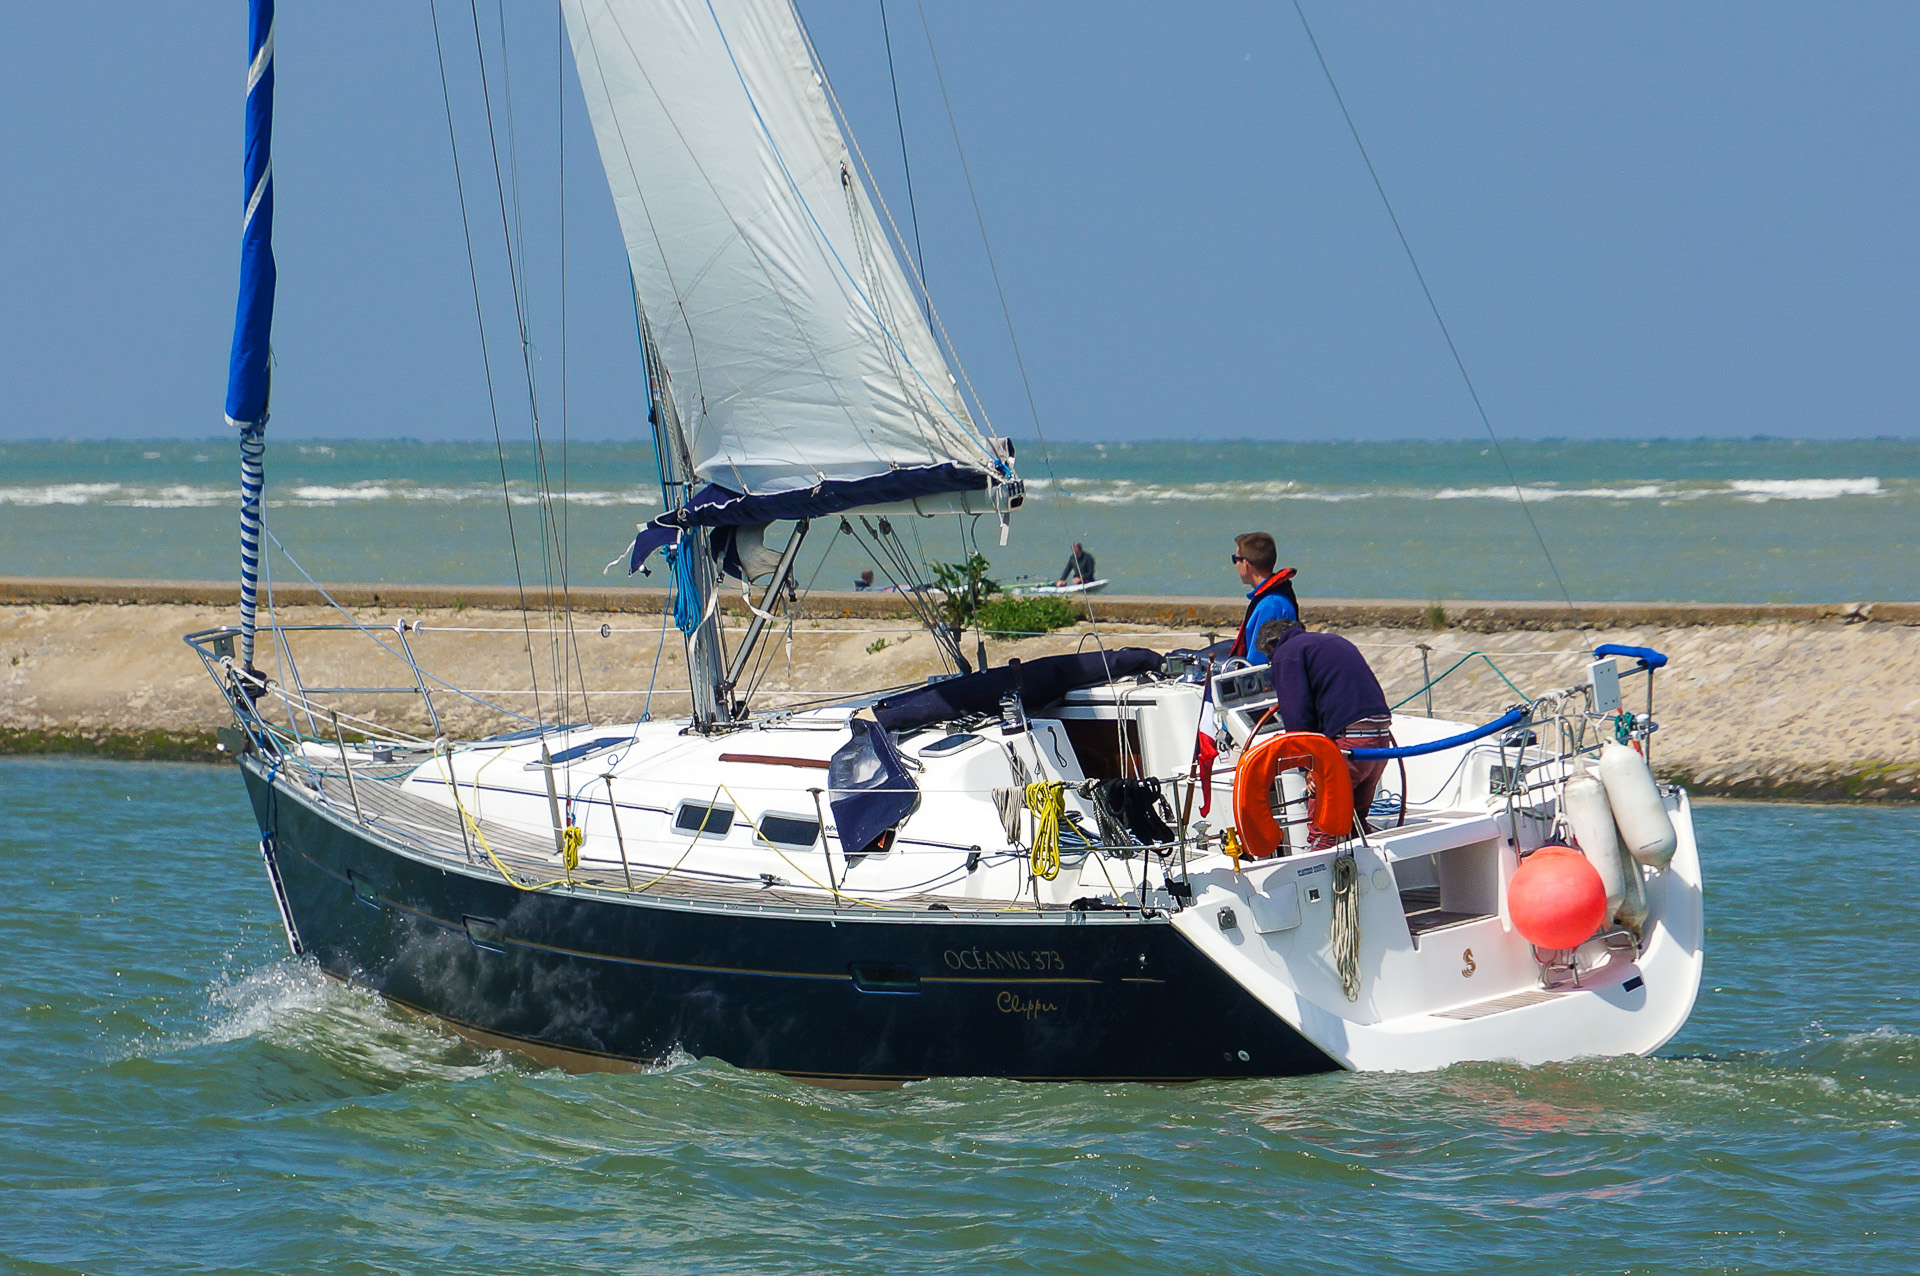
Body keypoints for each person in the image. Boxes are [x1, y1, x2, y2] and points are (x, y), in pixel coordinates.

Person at [1256, 618, 1396, 847]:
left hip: (1349, 745)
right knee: (1356, 824)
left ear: (1271, 647)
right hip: (1378, 742)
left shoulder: (1287, 653)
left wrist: (1308, 766)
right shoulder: (1331, 641)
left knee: (1325, 830)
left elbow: (1296, 713)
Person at [1227, 532, 1299, 666]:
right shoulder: (1275, 597)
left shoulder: (1269, 605)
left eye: (1235, 559)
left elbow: (1257, 662)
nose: (1235, 564)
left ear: (1246, 564)